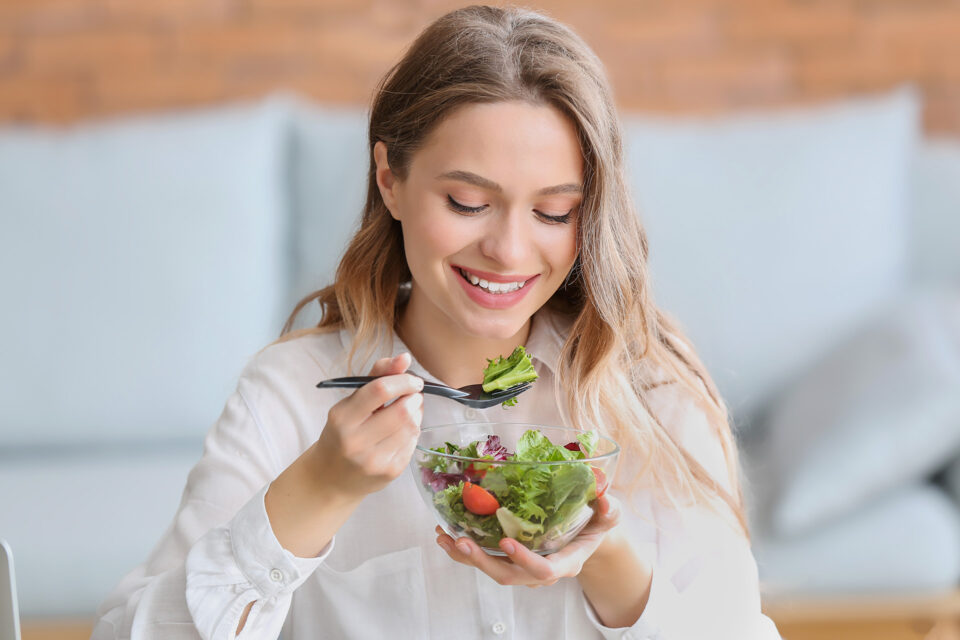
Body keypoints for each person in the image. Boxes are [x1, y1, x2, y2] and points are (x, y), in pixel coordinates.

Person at [93, 5, 782, 639]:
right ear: (389, 178)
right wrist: (318, 491)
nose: (510, 252)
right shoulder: (291, 394)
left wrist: (607, 560)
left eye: (552, 213)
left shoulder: (648, 393)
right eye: (466, 201)